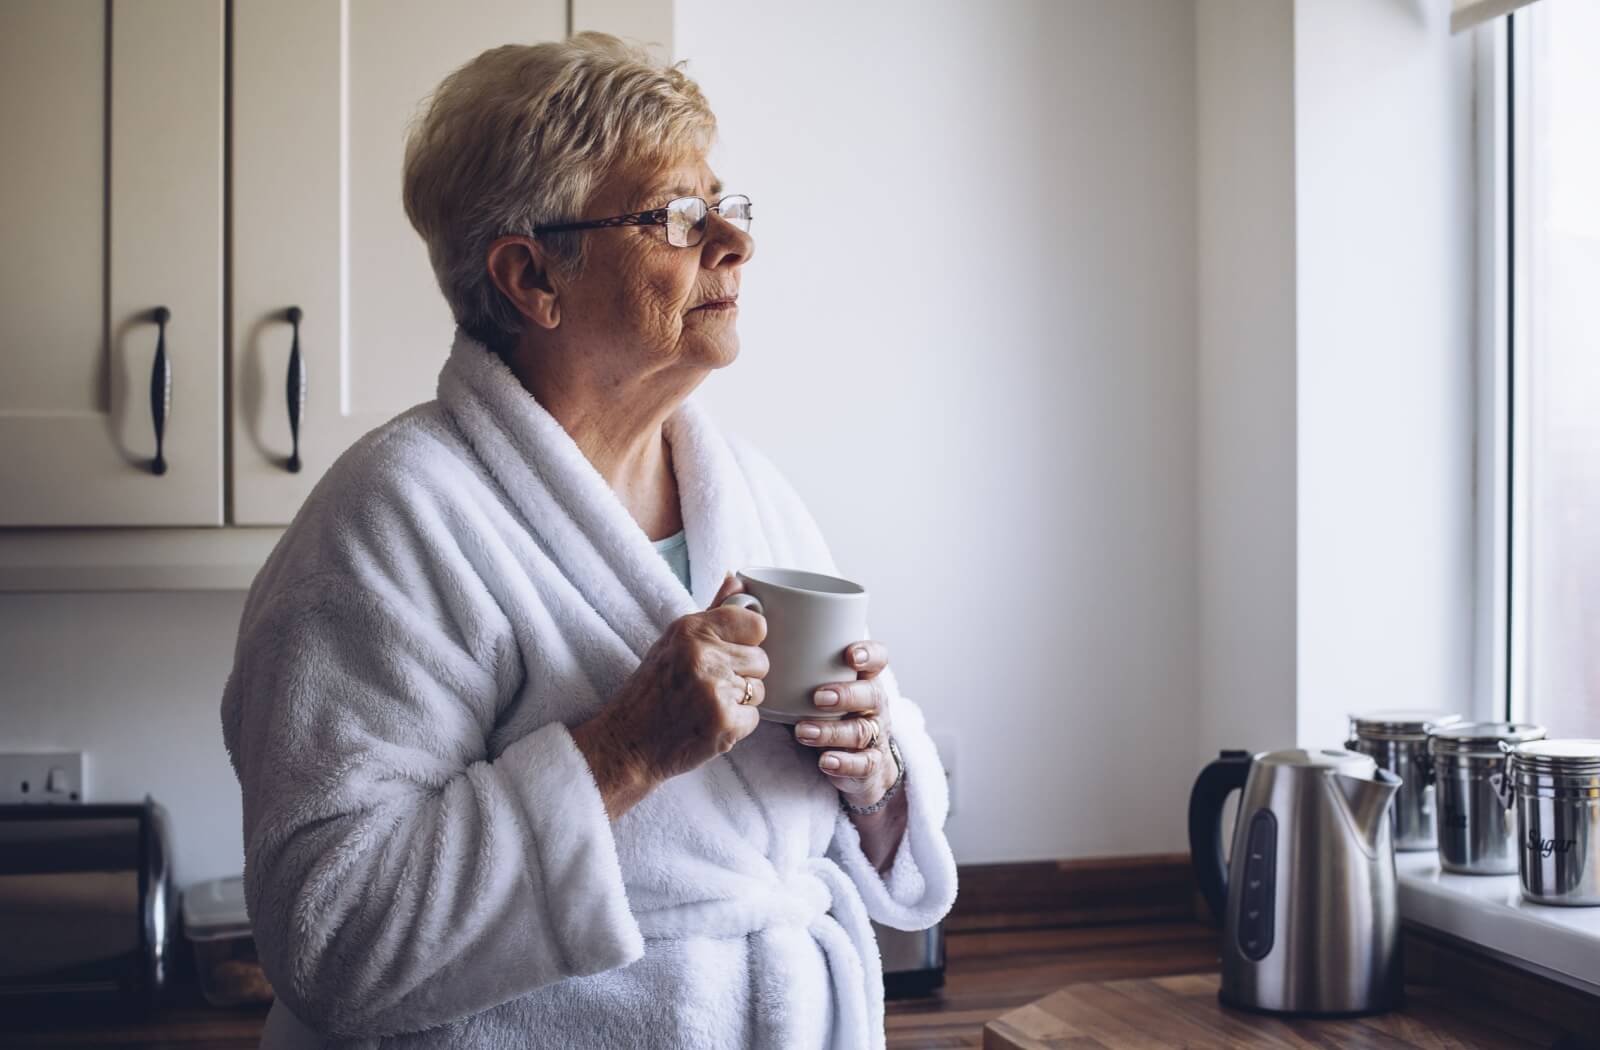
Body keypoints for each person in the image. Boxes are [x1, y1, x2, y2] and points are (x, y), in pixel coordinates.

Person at [222, 32, 956, 1050]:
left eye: (724, 206)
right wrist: (619, 751)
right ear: (531, 277)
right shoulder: (390, 521)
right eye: (674, 216)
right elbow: (331, 932)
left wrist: (873, 772)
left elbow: (847, 827)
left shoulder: (749, 492)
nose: (733, 244)